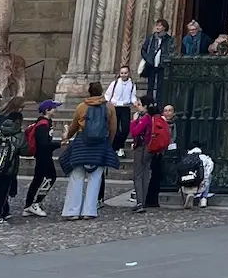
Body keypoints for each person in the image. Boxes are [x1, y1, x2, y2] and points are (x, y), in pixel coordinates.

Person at [61, 82, 118, 220]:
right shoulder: (109, 107)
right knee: (95, 178)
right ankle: (89, 210)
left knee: (77, 176)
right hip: (100, 145)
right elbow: (113, 128)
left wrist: (67, 137)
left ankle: (72, 211)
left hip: (82, 144)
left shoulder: (82, 107)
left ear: (89, 92)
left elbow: (74, 126)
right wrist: (108, 143)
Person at [22, 100, 59, 217]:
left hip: (43, 155)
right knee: (50, 177)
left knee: (38, 179)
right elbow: (43, 144)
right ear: (47, 110)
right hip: (43, 156)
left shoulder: (45, 123)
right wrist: (59, 144)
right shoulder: (43, 125)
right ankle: (35, 203)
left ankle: (29, 205)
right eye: (53, 108)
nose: (56, 110)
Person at [142, 103, 175, 208]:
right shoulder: (160, 122)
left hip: (163, 150)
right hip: (158, 150)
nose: (167, 113)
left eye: (170, 110)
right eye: (166, 110)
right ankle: (150, 199)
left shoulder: (172, 124)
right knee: (155, 175)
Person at [138, 18, 173, 106]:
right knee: (150, 85)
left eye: (160, 25)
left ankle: (159, 104)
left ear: (164, 27)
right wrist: (148, 59)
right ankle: (148, 104)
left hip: (162, 66)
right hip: (151, 65)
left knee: (160, 86)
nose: (157, 27)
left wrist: (166, 59)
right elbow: (143, 50)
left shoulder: (169, 39)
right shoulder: (151, 38)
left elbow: (171, 51)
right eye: (157, 25)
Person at [127, 102, 156, 209]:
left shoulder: (145, 118)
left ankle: (140, 202)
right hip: (150, 147)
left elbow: (134, 132)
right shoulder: (152, 117)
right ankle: (142, 201)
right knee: (145, 174)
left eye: (139, 104)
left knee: (138, 175)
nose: (136, 105)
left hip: (142, 147)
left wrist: (134, 121)